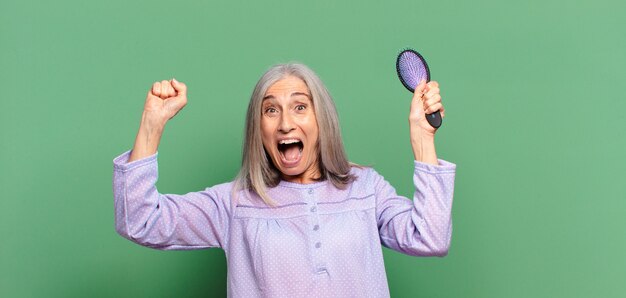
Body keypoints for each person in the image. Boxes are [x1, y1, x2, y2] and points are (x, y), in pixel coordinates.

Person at [112, 63, 456, 297]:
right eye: (270, 109)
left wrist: (423, 139)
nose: (285, 124)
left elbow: (429, 238)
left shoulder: (366, 189)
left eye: (300, 107)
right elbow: (142, 220)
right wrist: (151, 125)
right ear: (258, 129)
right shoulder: (234, 203)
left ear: (323, 120)